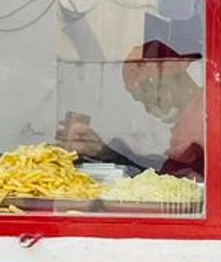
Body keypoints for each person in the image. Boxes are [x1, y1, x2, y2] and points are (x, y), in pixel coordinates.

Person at [57, 39, 205, 178]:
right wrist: (105, 151)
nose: (148, 108)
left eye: (147, 93)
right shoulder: (196, 109)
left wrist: (107, 152)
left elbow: (170, 179)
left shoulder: (199, 120)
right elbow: (165, 168)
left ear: (167, 77)